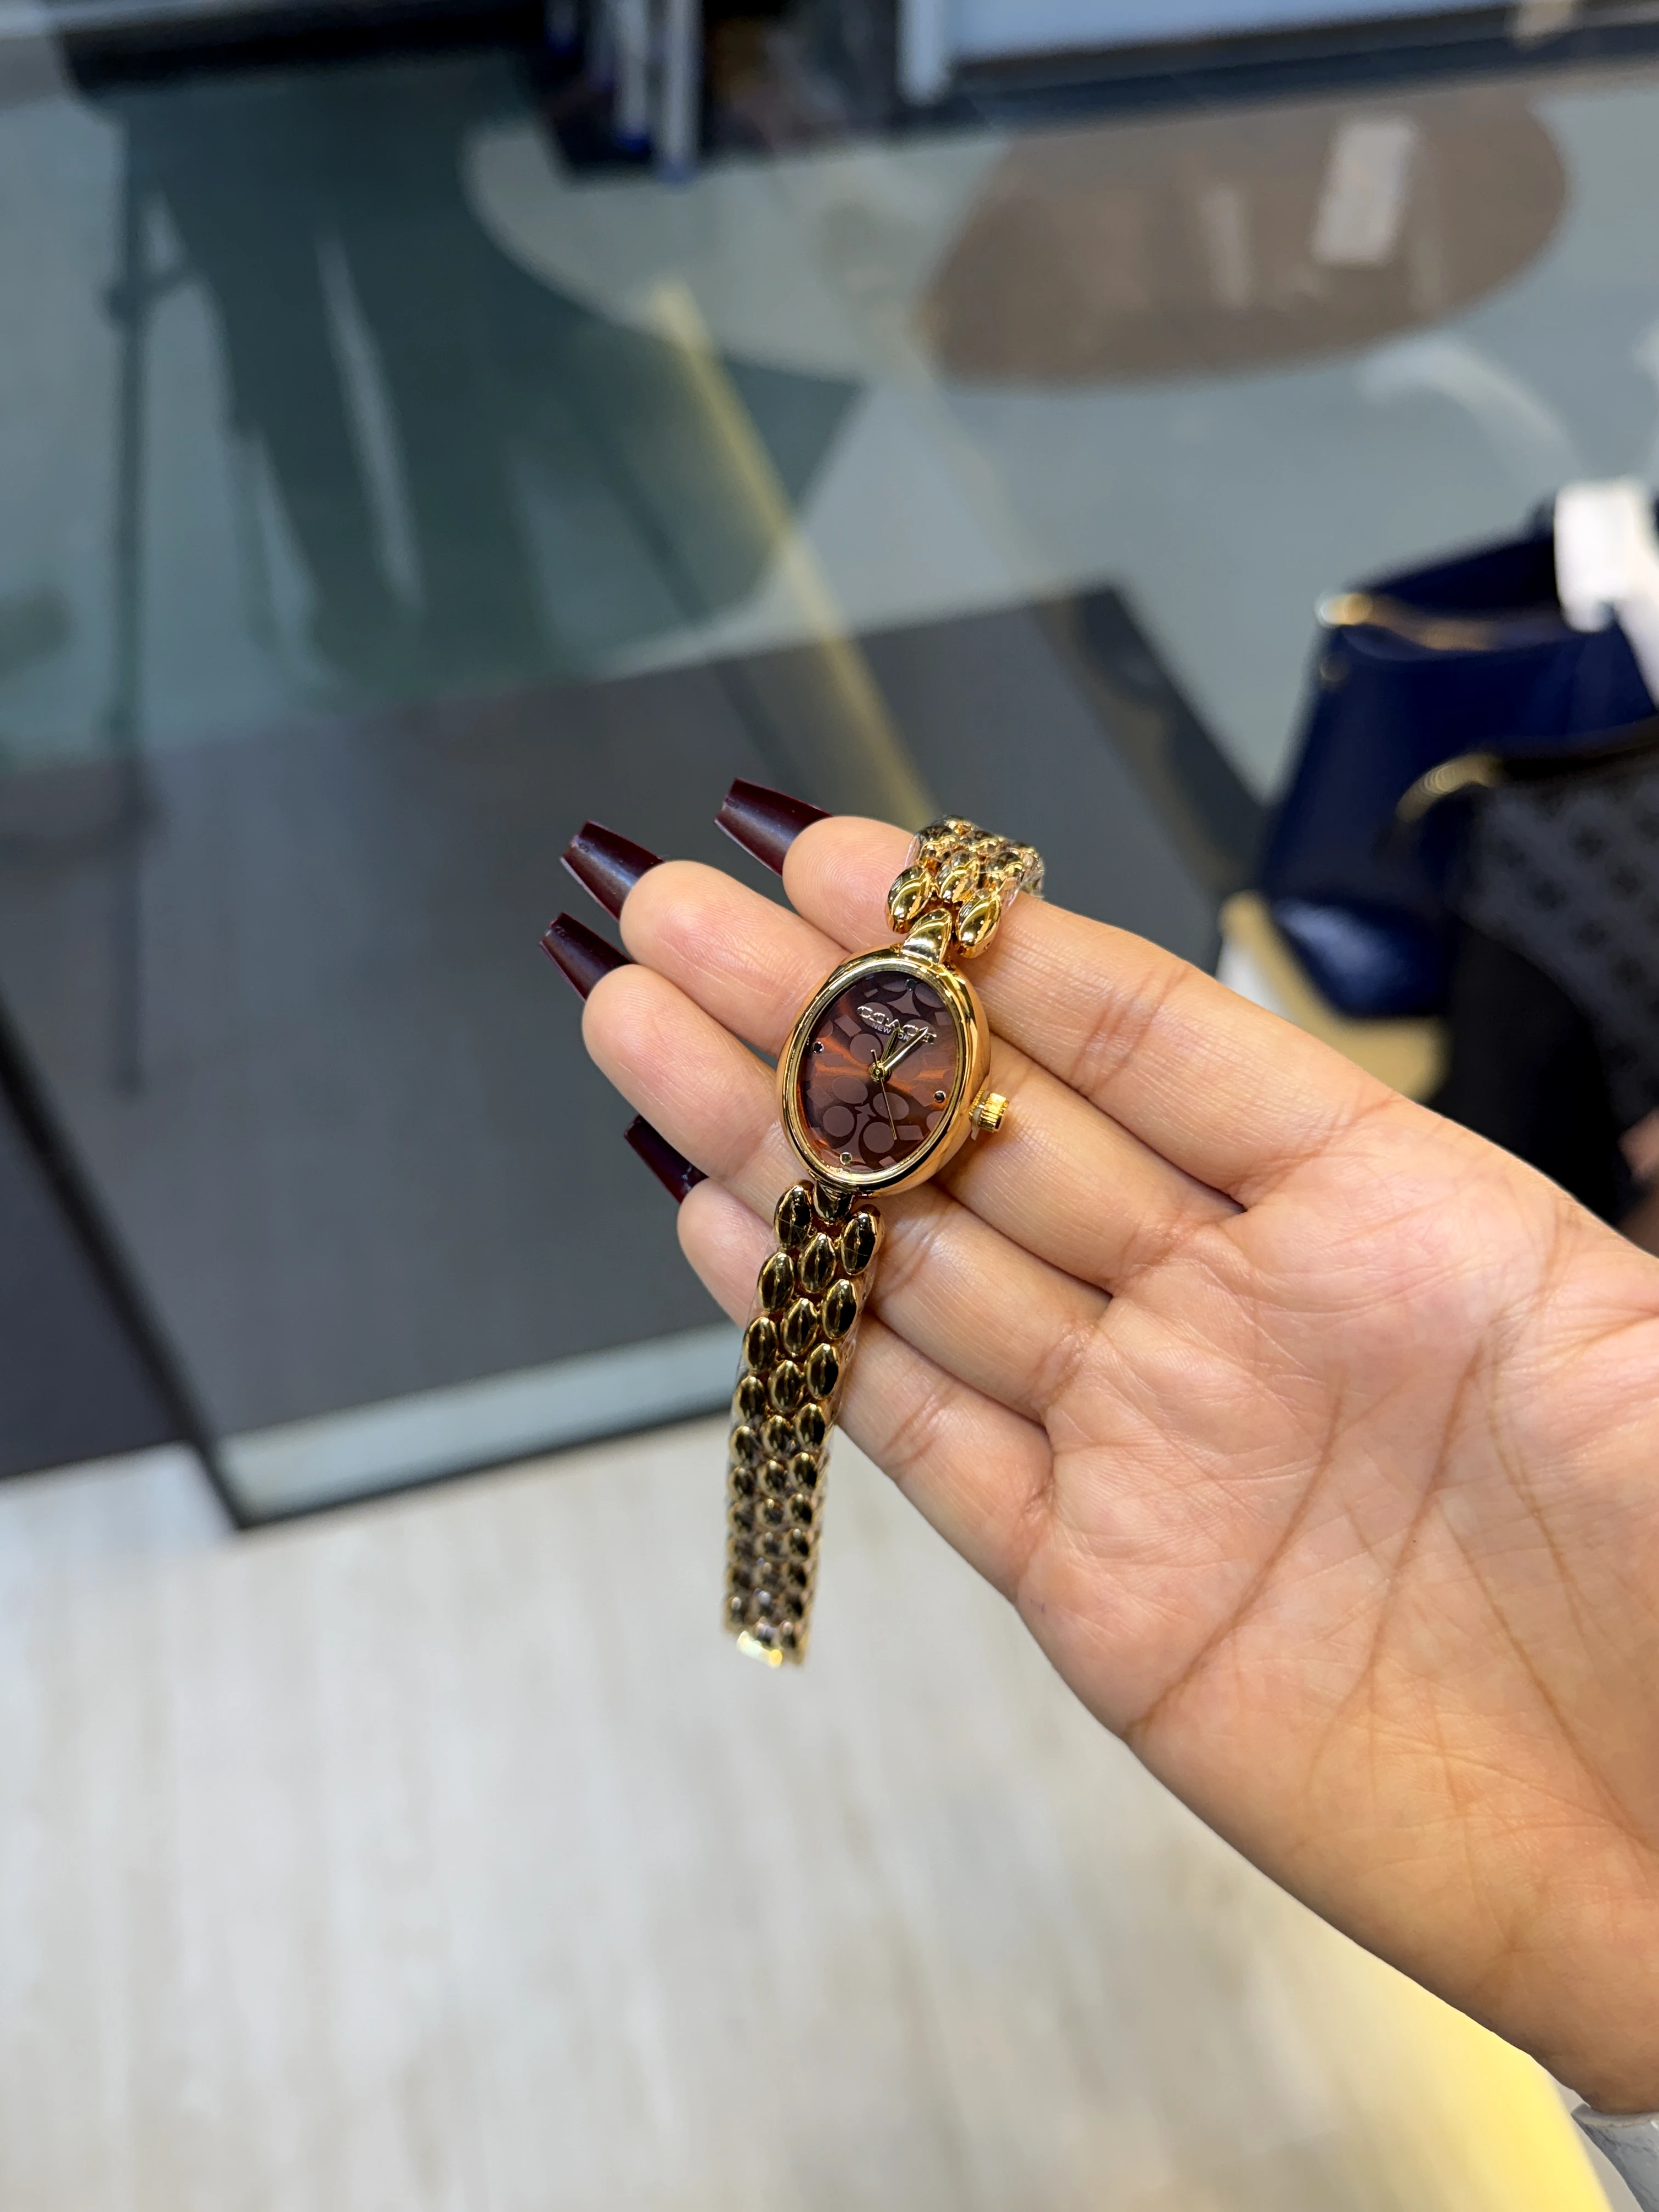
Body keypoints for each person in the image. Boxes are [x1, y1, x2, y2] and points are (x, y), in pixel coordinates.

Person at [552, 784, 1659, 2158]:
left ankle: (759, 1601)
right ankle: (761, 1599)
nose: (874, 1074)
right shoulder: (889, 1058)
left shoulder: (907, 1055)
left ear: (968, 1113)